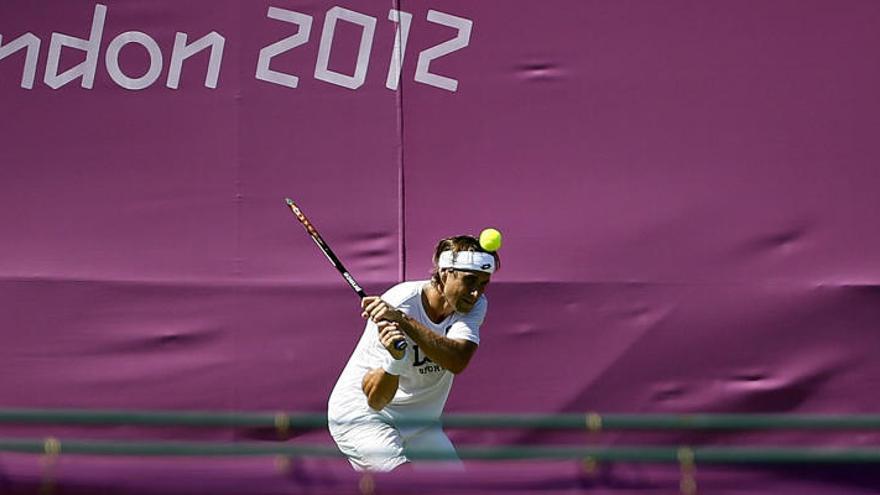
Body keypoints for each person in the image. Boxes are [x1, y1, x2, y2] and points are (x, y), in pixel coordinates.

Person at [327, 235, 500, 471]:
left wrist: (404, 322)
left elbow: (457, 360)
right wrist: (395, 361)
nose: (476, 293)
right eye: (470, 281)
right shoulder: (400, 301)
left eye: (483, 283)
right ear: (445, 272)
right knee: (404, 485)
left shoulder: (473, 305)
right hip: (363, 417)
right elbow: (376, 400)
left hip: (421, 423)